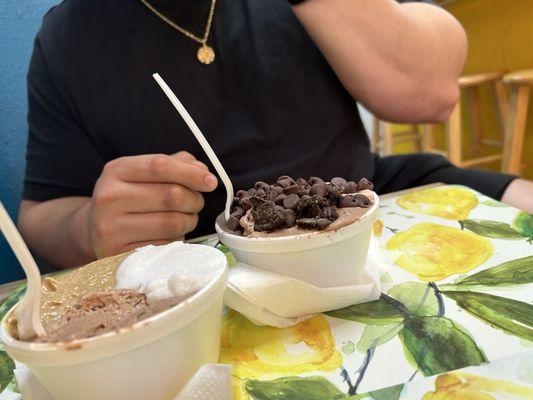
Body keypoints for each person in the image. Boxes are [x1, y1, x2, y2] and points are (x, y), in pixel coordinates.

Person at [18, 0, 532, 269]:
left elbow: (430, 94)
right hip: (196, 261)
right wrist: (88, 228)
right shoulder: (67, 40)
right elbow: (42, 213)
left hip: (369, 197)